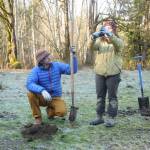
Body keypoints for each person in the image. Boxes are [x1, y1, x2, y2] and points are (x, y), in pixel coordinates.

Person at [26, 49, 78, 125]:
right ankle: (38, 118)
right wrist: (42, 90)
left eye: (48, 55)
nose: (49, 57)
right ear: (41, 61)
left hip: (55, 97)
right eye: (46, 57)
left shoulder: (57, 66)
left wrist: (73, 56)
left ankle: (50, 111)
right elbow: (29, 84)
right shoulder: (35, 71)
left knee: (62, 112)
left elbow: (72, 70)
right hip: (42, 97)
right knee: (30, 94)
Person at [89, 18, 124, 127]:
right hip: (99, 72)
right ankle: (99, 117)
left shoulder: (118, 41)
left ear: (113, 30)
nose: (106, 31)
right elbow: (91, 47)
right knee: (100, 96)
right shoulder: (100, 41)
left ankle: (111, 118)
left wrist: (111, 36)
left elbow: (118, 45)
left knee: (112, 97)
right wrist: (93, 37)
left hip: (113, 73)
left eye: (109, 28)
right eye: (105, 28)